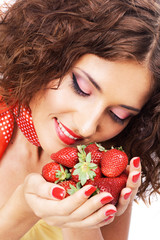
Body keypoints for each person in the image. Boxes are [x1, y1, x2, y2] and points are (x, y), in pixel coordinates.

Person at [0, 0, 160, 239]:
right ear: (46, 52)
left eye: (118, 115)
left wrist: (82, 220)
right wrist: (23, 209)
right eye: (81, 88)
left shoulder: (106, 173)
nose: (86, 126)